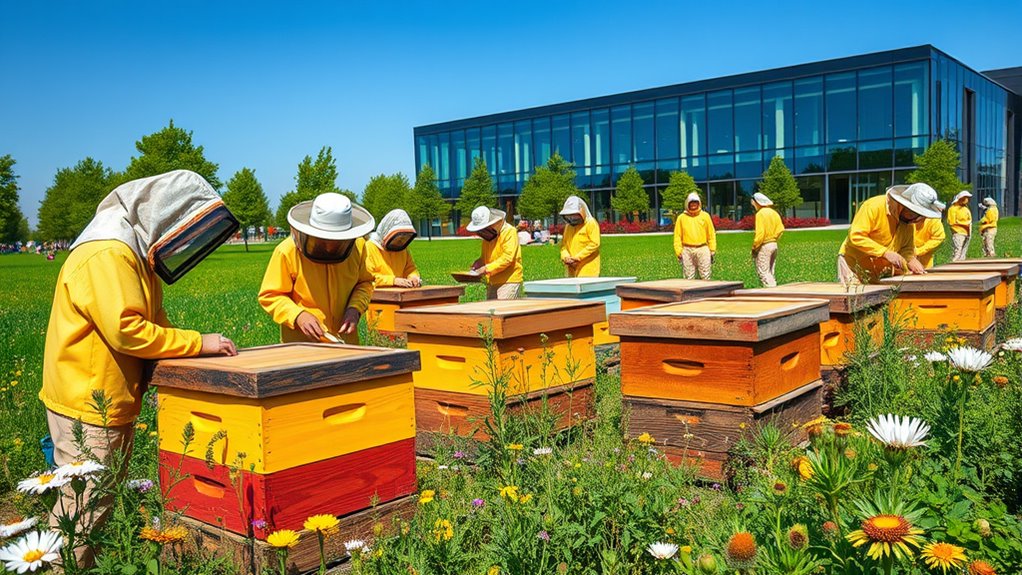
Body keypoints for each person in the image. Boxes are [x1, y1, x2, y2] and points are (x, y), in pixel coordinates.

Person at [39, 170, 239, 567]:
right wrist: (200, 343)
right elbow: (127, 330)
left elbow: (154, 317)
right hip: (88, 400)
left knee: (95, 500)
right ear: (165, 217)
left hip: (103, 397)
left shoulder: (133, 253)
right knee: (84, 507)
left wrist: (189, 352)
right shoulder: (109, 254)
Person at [259, 193, 376, 343]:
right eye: (323, 240)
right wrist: (297, 315)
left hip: (347, 344)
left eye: (337, 242)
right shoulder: (287, 251)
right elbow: (270, 295)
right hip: (302, 348)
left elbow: (365, 283)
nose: (328, 247)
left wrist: (355, 309)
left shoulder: (359, 248)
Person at [837, 183, 944, 285]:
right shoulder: (873, 206)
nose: (915, 220)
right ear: (904, 206)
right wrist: (885, 253)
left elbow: (907, 247)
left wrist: (911, 259)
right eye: (914, 214)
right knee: (854, 301)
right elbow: (856, 236)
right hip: (854, 263)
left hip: (878, 270)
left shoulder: (908, 221)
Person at [466, 206, 523, 299]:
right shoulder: (488, 237)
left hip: (509, 281)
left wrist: (485, 269)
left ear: (493, 223)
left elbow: (508, 258)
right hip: (492, 281)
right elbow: (486, 257)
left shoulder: (509, 231)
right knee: (490, 310)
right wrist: (478, 263)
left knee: (501, 310)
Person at [365, 208, 421, 287]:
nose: (401, 242)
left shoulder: (403, 250)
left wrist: (413, 277)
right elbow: (367, 278)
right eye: (399, 238)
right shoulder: (369, 247)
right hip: (376, 296)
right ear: (386, 232)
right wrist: (392, 280)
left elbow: (411, 269)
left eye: (404, 239)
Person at [673, 192, 716, 280]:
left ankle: (706, 293)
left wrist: (712, 249)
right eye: (691, 203)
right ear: (687, 204)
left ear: (699, 203)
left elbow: (711, 233)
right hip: (687, 249)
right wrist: (678, 250)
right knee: (689, 276)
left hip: (703, 248)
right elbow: (677, 236)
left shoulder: (705, 216)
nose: (693, 205)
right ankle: (690, 294)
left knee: (705, 275)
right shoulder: (681, 218)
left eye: (695, 202)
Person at [559, 195, 601, 277]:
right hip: (571, 267)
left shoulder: (590, 223)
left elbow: (595, 243)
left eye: (574, 215)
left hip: (588, 266)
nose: (571, 218)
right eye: (569, 215)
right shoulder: (568, 227)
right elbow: (564, 245)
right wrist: (566, 257)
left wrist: (578, 257)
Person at [750, 192, 784, 287]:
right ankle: (775, 289)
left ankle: (771, 292)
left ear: (757, 202)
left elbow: (760, 234)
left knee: (764, 272)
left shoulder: (760, 214)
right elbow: (781, 229)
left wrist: (755, 247)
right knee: (770, 271)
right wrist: (774, 238)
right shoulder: (774, 213)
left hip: (765, 245)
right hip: (774, 244)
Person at [947, 190, 973, 261]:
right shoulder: (953, 209)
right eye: (965, 197)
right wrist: (964, 223)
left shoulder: (965, 209)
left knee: (963, 253)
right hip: (958, 232)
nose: (967, 199)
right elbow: (951, 222)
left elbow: (969, 219)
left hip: (967, 232)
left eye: (967, 198)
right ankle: (953, 266)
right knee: (957, 252)